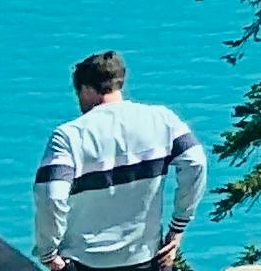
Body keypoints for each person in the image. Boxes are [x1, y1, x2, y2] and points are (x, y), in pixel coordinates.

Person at [30, 55, 203, 271]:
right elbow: (196, 163)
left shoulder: (68, 137)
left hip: (84, 262)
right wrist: (178, 228)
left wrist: (48, 253)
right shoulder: (163, 120)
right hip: (145, 259)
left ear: (86, 89)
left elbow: (52, 197)